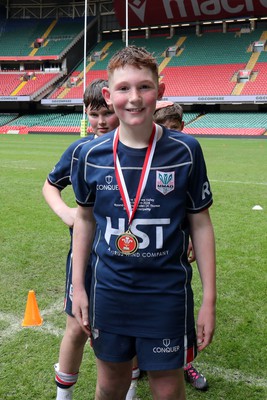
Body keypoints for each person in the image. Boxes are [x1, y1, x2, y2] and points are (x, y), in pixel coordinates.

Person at [72, 45, 216, 400]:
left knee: (167, 389)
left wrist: (209, 297)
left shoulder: (186, 151)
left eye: (144, 87)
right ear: (108, 95)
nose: (134, 98)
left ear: (161, 91)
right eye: (123, 89)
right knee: (110, 384)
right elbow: (85, 221)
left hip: (166, 292)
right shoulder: (89, 155)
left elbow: (200, 223)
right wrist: (79, 286)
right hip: (111, 290)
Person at [42, 78, 120, 400]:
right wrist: (67, 214)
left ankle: (128, 390)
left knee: (120, 329)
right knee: (76, 326)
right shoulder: (79, 151)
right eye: (93, 114)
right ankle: (64, 396)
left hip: (123, 256)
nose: (100, 122)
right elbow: (49, 186)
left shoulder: (138, 151)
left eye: (107, 113)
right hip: (85, 255)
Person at [153, 101, 208, 391]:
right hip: (148, 252)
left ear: (182, 128)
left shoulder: (186, 153)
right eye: (163, 128)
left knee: (178, 308)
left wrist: (193, 242)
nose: (168, 134)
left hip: (177, 249)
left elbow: (196, 211)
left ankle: (186, 362)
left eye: (173, 128)